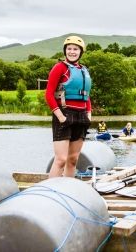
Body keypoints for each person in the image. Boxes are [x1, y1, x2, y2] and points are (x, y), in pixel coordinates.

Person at [45, 35, 92, 178]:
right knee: (61, 160)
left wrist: (89, 113)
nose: (72, 52)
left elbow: (87, 95)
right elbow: (49, 94)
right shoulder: (59, 67)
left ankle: (68, 190)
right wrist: (60, 116)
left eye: (75, 49)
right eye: (69, 49)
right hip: (64, 114)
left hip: (81, 116)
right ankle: (50, 191)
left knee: (73, 160)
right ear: (65, 51)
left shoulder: (84, 69)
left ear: (81, 52)